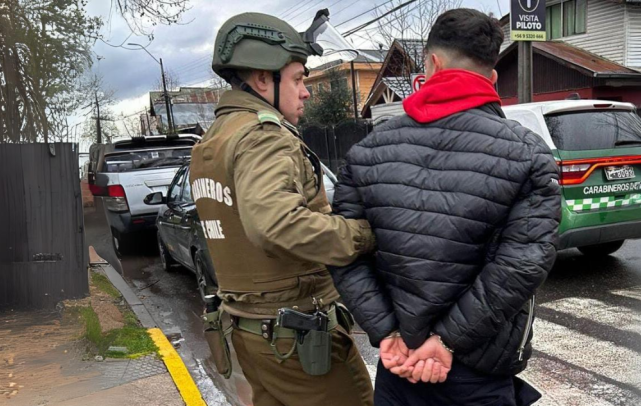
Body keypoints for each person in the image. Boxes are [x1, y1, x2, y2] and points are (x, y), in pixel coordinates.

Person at [328, 8, 561, 406]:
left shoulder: (367, 151)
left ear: (432, 63)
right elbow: (522, 265)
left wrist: (389, 334)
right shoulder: (529, 154)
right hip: (480, 366)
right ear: (492, 78)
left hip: (398, 361)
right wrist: (445, 342)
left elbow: (344, 252)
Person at [189, 12, 376, 406]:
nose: (305, 91)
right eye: (297, 79)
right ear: (262, 79)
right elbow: (275, 225)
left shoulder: (213, 141)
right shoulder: (262, 137)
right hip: (298, 340)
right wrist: (362, 234)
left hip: (249, 332)